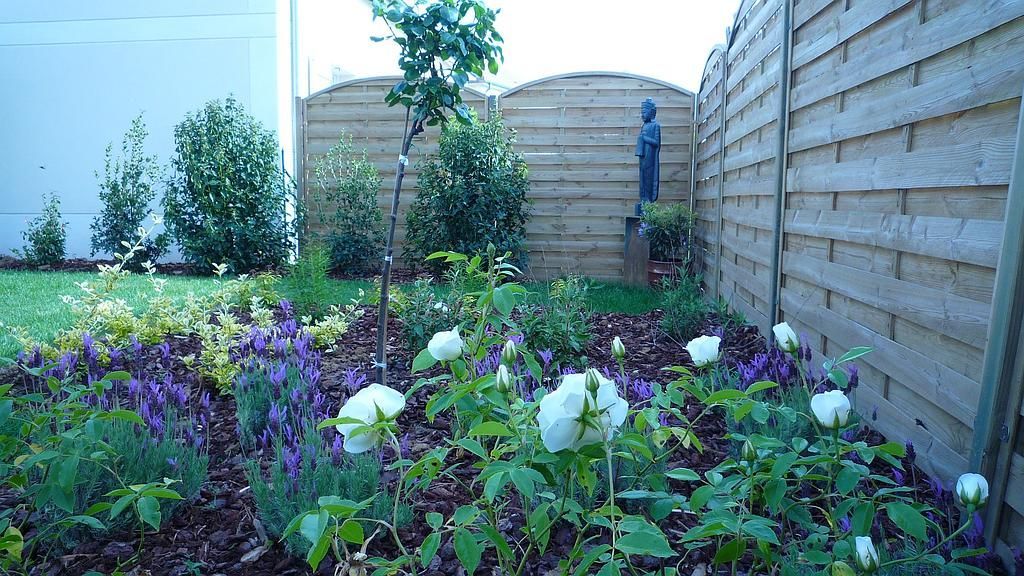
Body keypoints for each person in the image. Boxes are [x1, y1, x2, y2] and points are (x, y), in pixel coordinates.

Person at [635, 97, 661, 205]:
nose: (642, 115)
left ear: (651, 113)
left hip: (650, 157)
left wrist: (644, 138)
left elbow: (656, 142)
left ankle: (649, 199)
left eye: (644, 112)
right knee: (642, 177)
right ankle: (643, 198)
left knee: (649, 178)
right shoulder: (644, 125)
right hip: (643, 156)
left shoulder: (656, 126)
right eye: (642, 113)